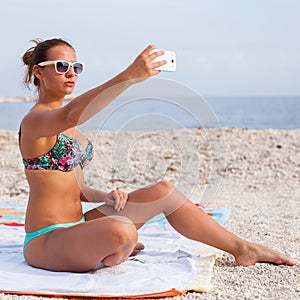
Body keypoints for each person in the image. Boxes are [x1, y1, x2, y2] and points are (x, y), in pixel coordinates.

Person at [19, 38, 295, 272]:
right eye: (61, 66)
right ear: (38, 73)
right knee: (124, 231)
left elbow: (71, 186)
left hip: (78, 224)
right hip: (47, 239)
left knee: (163, 191)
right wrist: (129, 76)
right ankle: (110, 248)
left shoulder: (69, 126)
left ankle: (242, 248)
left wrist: (104, 196)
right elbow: (70, 112)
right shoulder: (36, 121)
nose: (71, 73)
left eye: (76, 67)